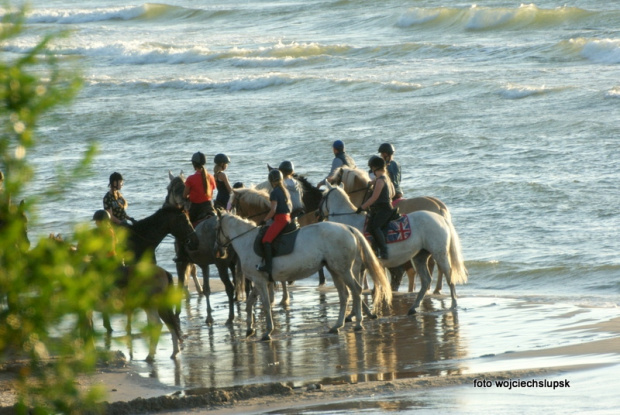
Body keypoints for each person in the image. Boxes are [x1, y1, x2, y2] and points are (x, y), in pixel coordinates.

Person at [356, 156, 395, 259]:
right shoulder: (385, 178)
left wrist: (362, 207)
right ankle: (375, 247)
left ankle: (384, 250)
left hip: (384, 210)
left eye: (372, 168)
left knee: (375, 226)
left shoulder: (380, 180)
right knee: (369, 226)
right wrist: (372, 183)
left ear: (375, 168)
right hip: (385, 207)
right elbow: (393, 193)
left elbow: (374, 198)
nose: (372, 170)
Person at [257, 169, 292, 277]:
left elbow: (273, 210)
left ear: (271, 181)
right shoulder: (285, 191)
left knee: (266, 240)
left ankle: (268, 266)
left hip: (280, 219)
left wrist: (264, 220)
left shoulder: (274, 192)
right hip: (288, 217)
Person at [184, 151, 216, 224]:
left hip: (196, 209)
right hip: (209, 206)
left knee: (187, 227)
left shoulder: (190, 179)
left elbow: (184, 195)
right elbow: (212, 189)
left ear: (194, 164)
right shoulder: (211, 177)